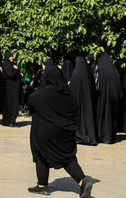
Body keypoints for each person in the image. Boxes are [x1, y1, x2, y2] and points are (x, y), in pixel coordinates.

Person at [27, 66, 93, 197]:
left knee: (40, 154)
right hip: (65, 133)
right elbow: (75, 109)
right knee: (67, 159)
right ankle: (82, 182)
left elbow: (31, 101)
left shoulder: (41, 94)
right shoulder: (70, 95)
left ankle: (42, 185)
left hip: (45, 133)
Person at [69, 56, 97, 146]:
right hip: (87, 101)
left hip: (77, 101)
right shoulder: (88, 73)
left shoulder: (75, 74)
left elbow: (72, 89)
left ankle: (79, 136)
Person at [95, 52, 122, 144]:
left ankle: (102, 136)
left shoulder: (99, 69)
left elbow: (96, 85)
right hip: (112, 98)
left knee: (102, 116)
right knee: (111, 116)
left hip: (102, 98)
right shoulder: (114, 70)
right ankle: (110, 137)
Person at [2, 52, 22, 127]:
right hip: (11, 89)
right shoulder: (7, 65)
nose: (12, 58)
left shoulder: (11, 65)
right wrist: (16, 70)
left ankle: (10, 120)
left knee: (12, 104)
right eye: (10, 56)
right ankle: (11, 121)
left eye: (12, 56)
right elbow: (11, 74)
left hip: (12, 88)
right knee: (12, 105)